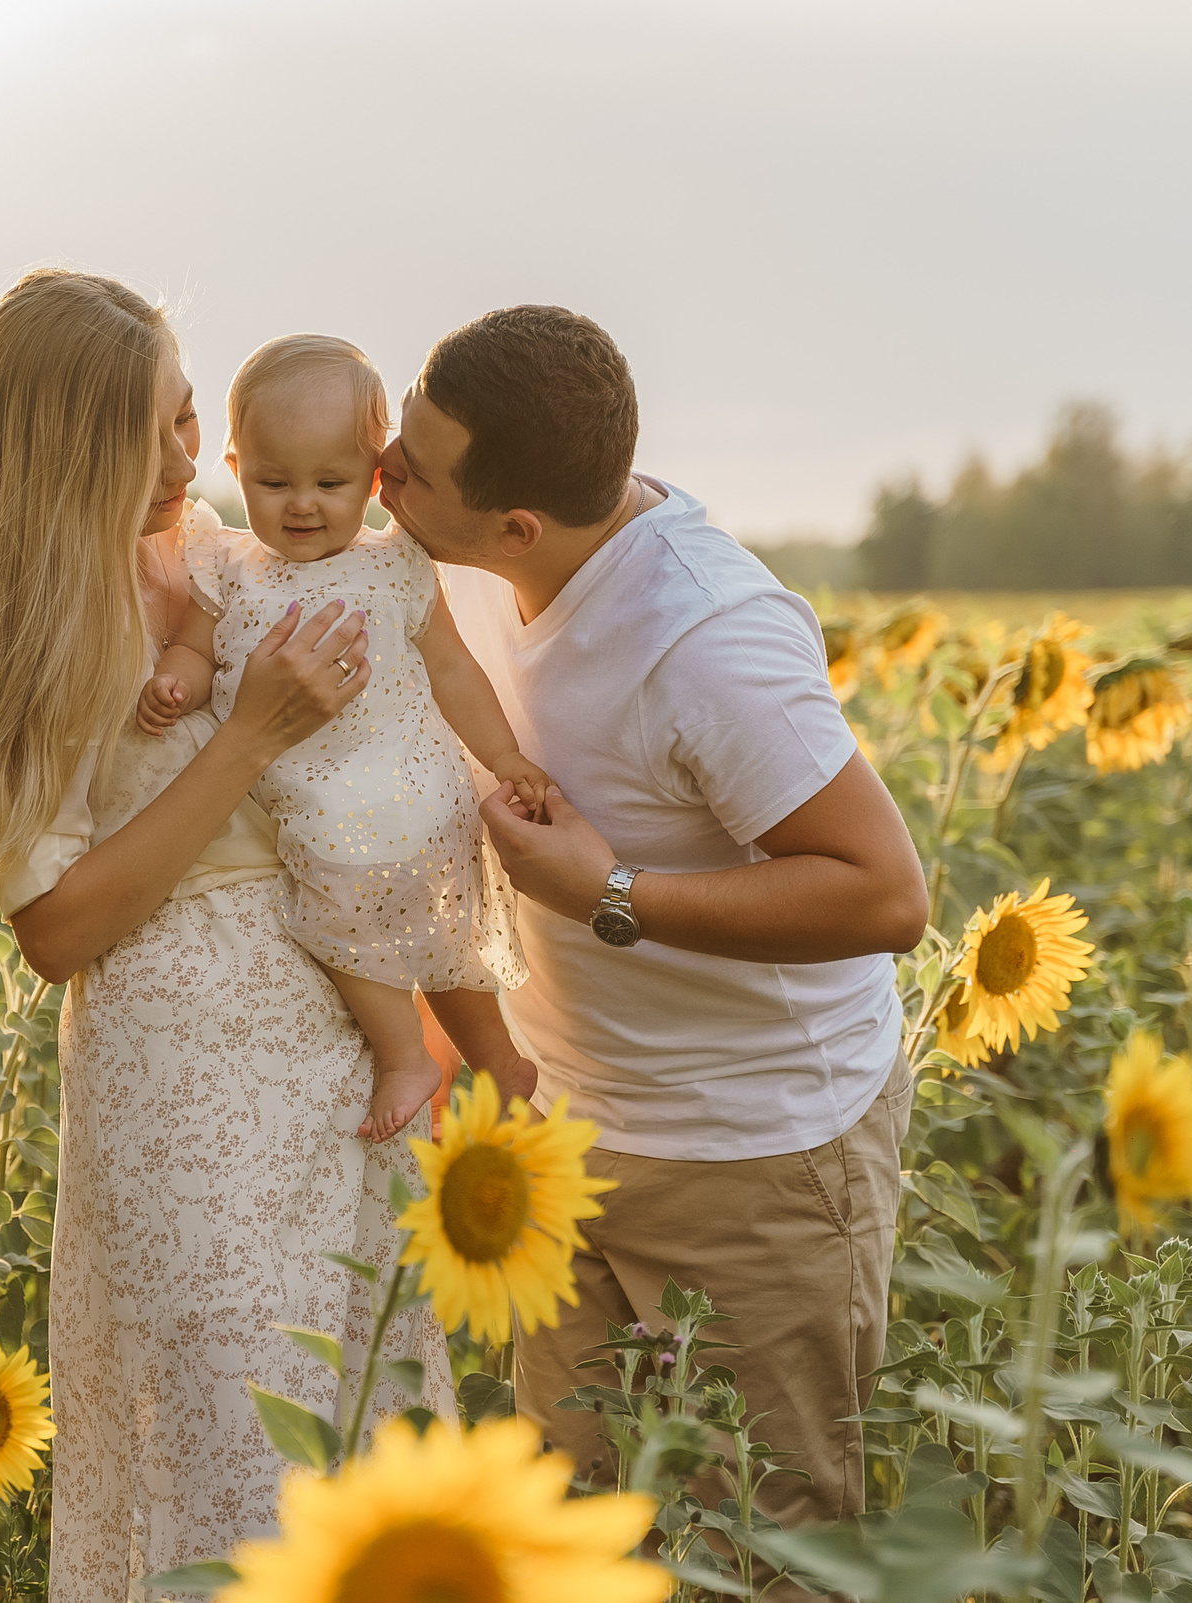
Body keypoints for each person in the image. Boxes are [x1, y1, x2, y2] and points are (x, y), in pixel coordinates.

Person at [0, 271, 455, 1599]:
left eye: (190, 420)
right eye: (145, 434)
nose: (183, 460)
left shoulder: (210, 552)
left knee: (365, 1412)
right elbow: (58, 926)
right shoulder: (25, 630)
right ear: (63, 446)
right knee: (233, 1434)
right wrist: (253, 726)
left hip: (336, 1034)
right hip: (179, 1062)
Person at [375, 303, 930, 1553]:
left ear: (515, 525)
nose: (381, 472)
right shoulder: (452, 565)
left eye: (409, 464)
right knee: (569, 1540)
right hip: (565, 1134)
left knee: (767, 1544)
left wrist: (609, 893)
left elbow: (884, 893)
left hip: (753, 1154)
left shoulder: (707, 635)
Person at [140, 333, 547, 1142]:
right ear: (232, 465)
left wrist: (503, 760)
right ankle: (447, 1056)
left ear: (375, 473)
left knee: (435, 934)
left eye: (331, 482)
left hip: (414, 787)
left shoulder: (395, 566)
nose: (302, 504)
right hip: (321, 804)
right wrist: (177, 680)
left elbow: (456, 672)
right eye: (273, 481)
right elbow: (192, 640)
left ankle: (453, 1054)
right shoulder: (231, 568)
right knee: (364, 925)